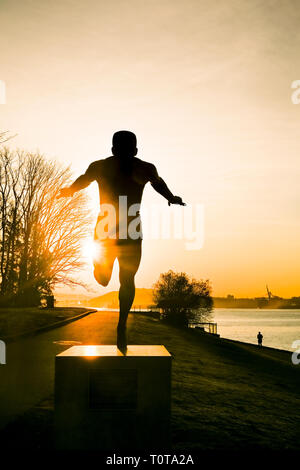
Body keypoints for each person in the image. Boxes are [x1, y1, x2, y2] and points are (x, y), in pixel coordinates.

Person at [58, 130, 185, 353]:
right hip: (108, 225)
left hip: (130, 227)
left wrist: (171, 197)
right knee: (106, 280)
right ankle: (99, 266)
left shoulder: (142, 168)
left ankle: (121, 325)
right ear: (115, 151)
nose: (126, 155)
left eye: (128, 152)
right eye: (122, 152)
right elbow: (84, 180)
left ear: (132, 151)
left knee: (127, 277)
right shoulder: (103, 166)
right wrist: (70, 190)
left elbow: (158, 183)